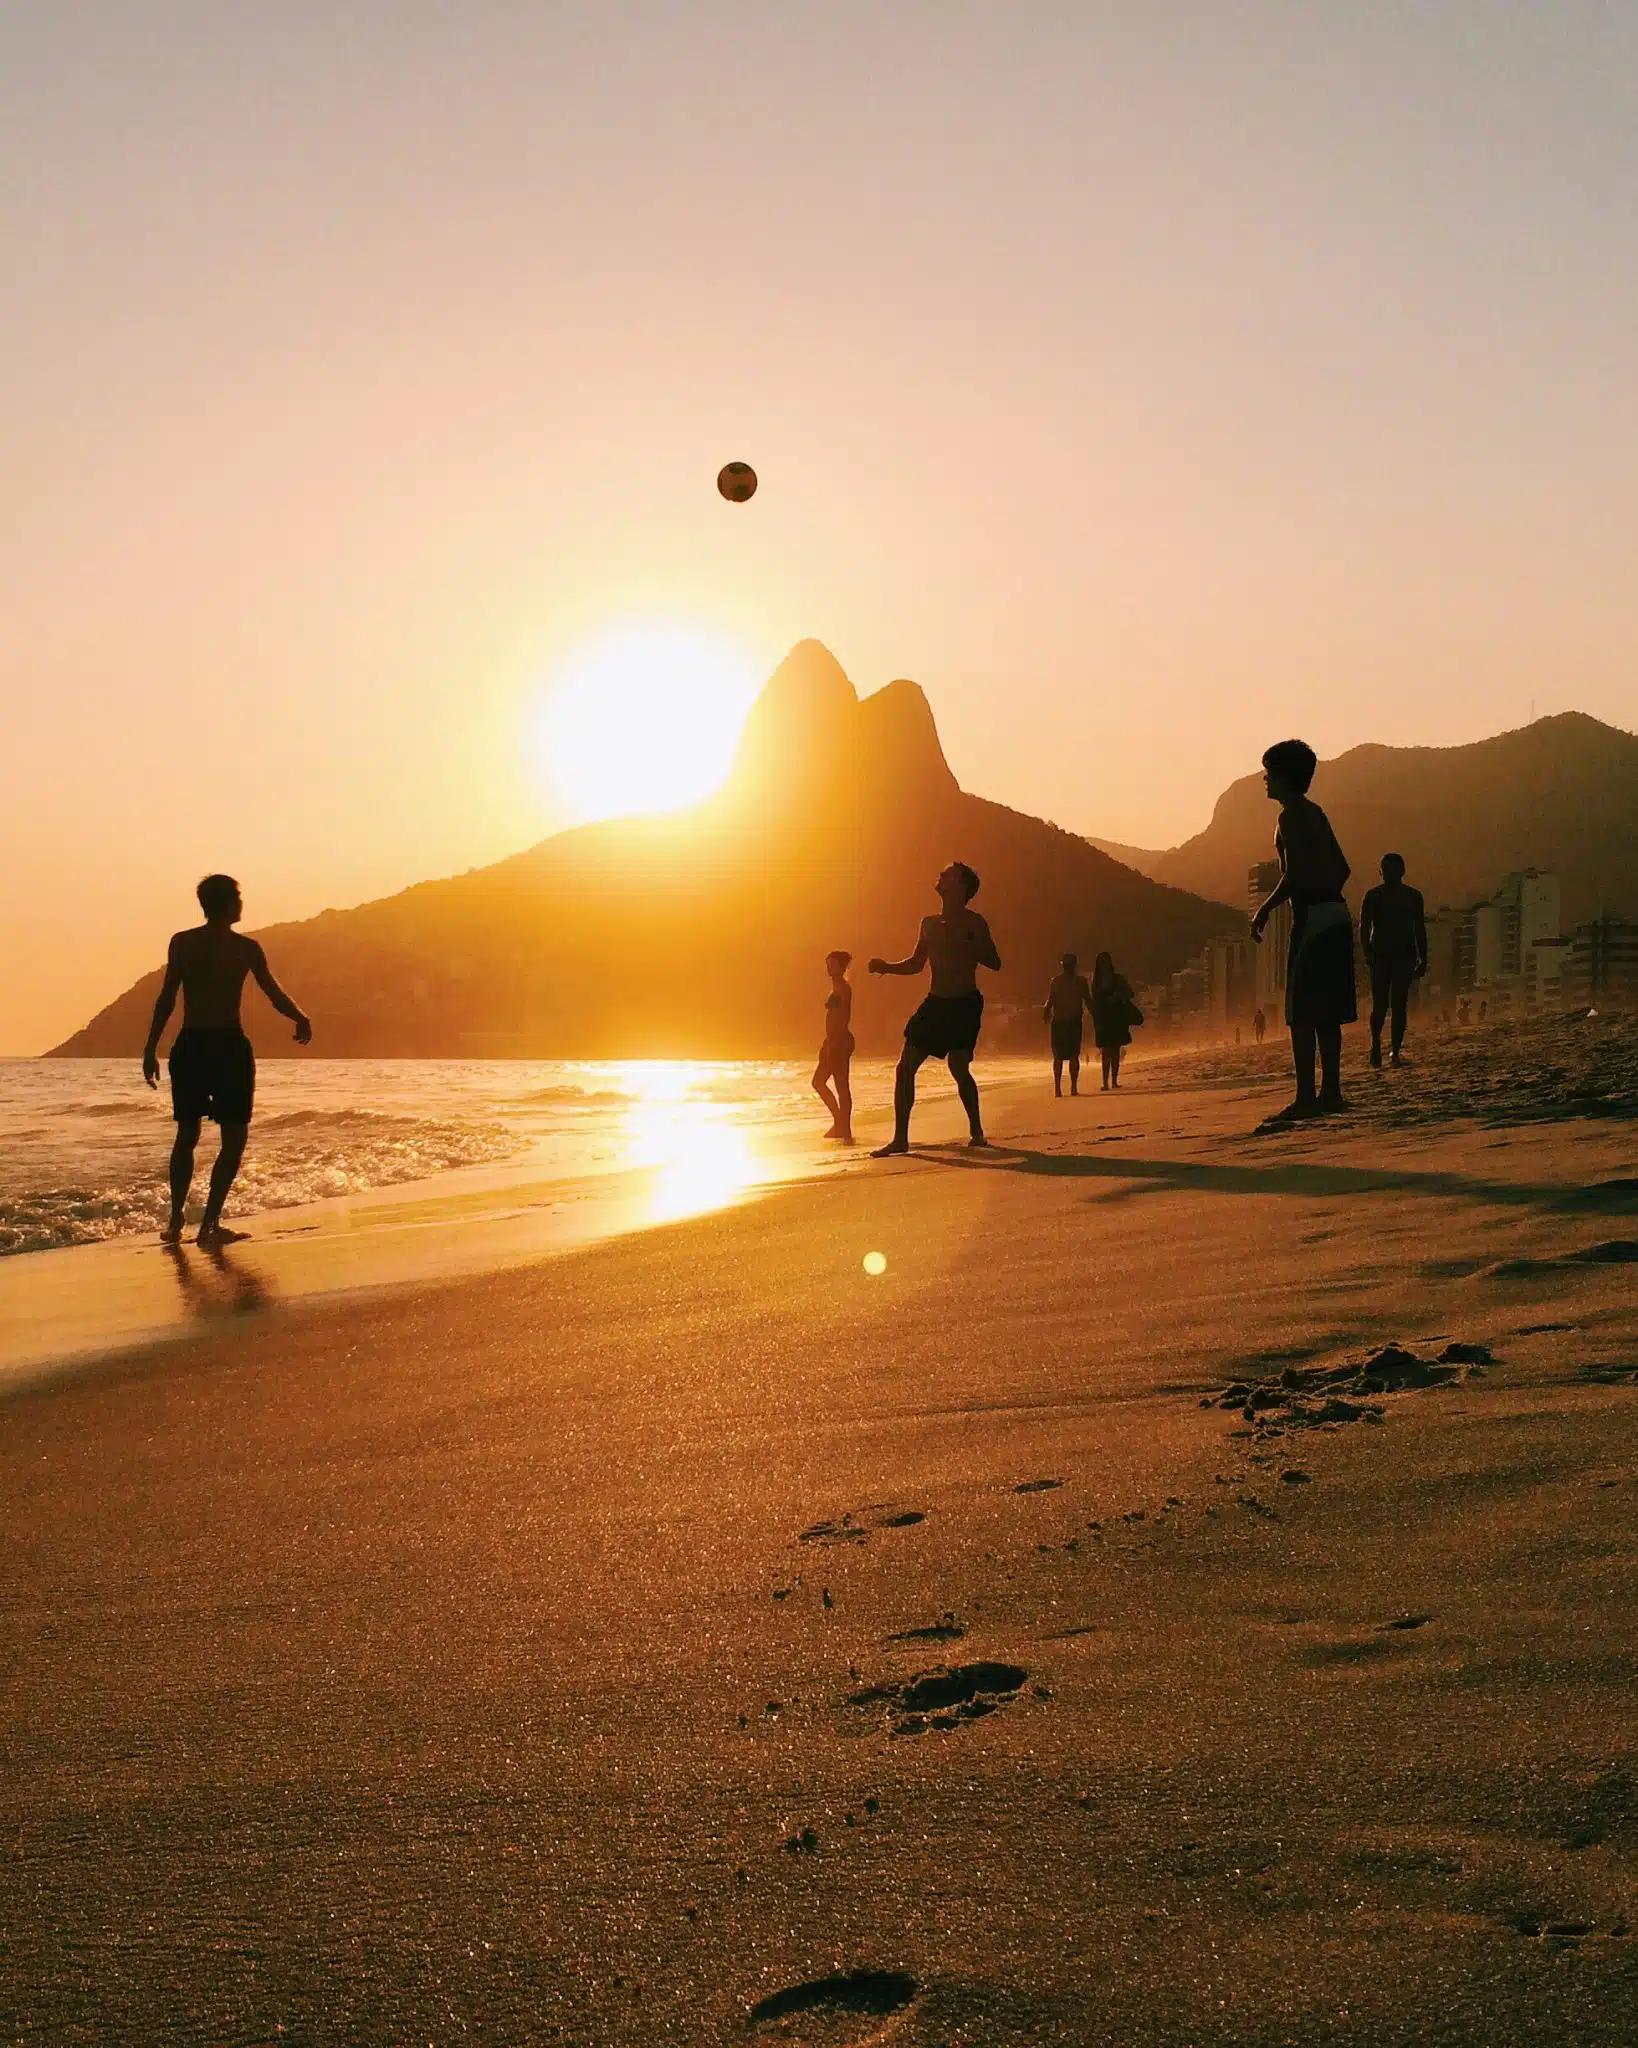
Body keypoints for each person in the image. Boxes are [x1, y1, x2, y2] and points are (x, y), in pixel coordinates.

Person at [142, 875, 311, 1246]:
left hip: (191, 1047)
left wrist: (150, 1047)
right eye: (237, 897)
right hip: (225, 1048)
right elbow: (272, 992)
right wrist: (300, 1017)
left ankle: (177, 1223)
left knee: (188, 1133)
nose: (241, 903)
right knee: (231, 1137)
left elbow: (167, 998)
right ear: (226, 903)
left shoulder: (185, 943)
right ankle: (208, 1225)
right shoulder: (245, 948)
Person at [1250, 739, 1356, 1121]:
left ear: (1284, 777)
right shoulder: (1316, 812)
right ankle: (1331, 1093)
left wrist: (1265, 908)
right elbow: (1342, 869)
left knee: (1302, 1011)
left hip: (1311, 916)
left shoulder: (1290, 816)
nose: (1265, 779)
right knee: (1327, 1011)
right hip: (1336, 914)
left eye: (1269, 772)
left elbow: (1293, 875)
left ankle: (1306, 1097)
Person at [868, 862, 1000, 1156]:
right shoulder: (928, 923)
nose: (940, 876)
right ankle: (900, 1138)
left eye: (947, 874)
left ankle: (977, 1131)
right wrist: (887, 967)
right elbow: (916, 964)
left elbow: (994, 962)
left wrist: (971, 943)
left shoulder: (975, 923)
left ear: (962, 886)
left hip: (965, 1003)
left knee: (958, 1067)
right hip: (935, 1002)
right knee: (905, 1067)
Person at [1359, 852, 1427, 1069]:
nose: (1390, 874)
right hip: (1380, 956)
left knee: (1399, 1004)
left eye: (1394, 869)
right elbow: (1364, 925)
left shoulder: (1413, 897)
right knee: (1380, 1005)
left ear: (1402, 871)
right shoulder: (1373, 896)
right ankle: (1376, 1044)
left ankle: (1395, 1051)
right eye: (1386, 869)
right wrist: (1367, 952)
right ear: (1381, 872)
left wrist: (1423, 958)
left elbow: (1420, 929)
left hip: (1404, 955)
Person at [811, 949, 855, 1143]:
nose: (829, 968)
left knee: (840, 1085)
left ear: (841, 967)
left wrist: (834, 1044)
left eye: (832, 964)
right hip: (832, 1040)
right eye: (827, 964)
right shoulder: (836, 987)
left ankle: (843, 1126)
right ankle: (840, 1123)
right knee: (819, 1082)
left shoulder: (843, 988)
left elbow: (841, 1018)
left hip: (839, 1041)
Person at [1042, 952, 1094, 1097]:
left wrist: (1046, 1013)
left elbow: (1049, 1001)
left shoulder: (1059, 981)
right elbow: (1088, 1001)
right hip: (1068, 1023)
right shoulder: (1076, 981)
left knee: (1063, 1057)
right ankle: (1068, 1088)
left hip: (1064, 1023)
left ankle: (1062, 1088)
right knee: (1069, 1056)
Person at [1090, 951, 1140, 1090]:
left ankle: (1113, 1081)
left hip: (1117, 1018)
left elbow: (1130, 993)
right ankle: (1106, 1082)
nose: (1104, 965)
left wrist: (1118, 996)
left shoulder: (1118, 979)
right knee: (1106, 1051)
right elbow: (1094, 1000)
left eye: (1105, 961)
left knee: (1115, 1051)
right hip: (1104, 1018)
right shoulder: (1096, 982)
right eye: (1102, 962)